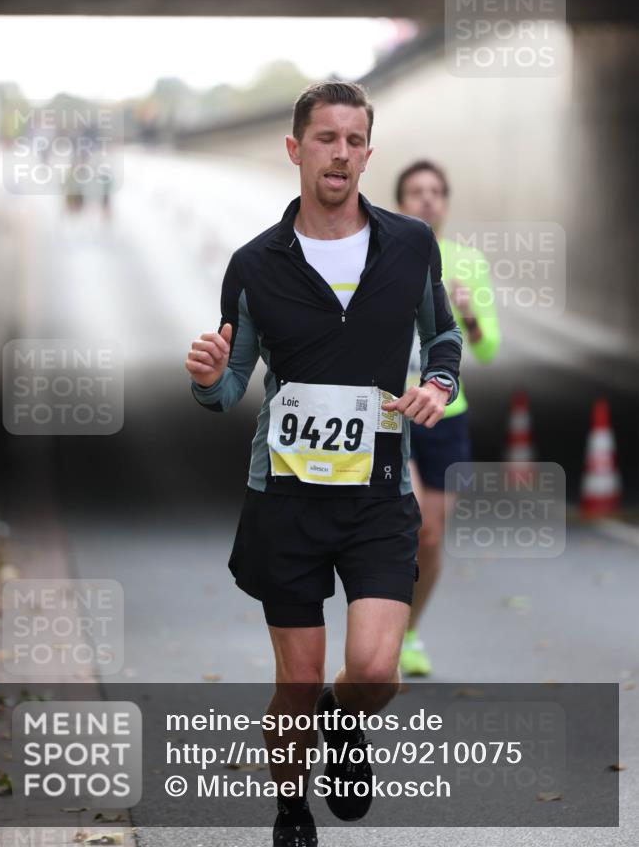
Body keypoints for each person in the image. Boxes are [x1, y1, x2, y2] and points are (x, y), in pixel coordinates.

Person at [185, 82, 462, 847]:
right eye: (325, 138)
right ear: (295, 148)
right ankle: (291, 812)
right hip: (285, 499)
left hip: (377, 495)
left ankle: (343, 719)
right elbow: (229, 386)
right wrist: (208, 379)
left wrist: (439, 384)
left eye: (353, 140)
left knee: (372, 670)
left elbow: (442, 335)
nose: (340, 153)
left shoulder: (410, 244)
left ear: (368, 153)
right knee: (297, 684)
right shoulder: (253, 264)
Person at [395, 160, 501, 677]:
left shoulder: (467, 263)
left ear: (445, 203)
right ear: (400, 203)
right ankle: (379, 625)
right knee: (411, 520)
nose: (427, 199)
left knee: (431, 536)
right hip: (394, 412)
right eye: (416, 191)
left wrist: (470, 313)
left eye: (436, 191)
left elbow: (488, 349)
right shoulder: (381, 257)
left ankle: (408, 633)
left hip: (446, 415)